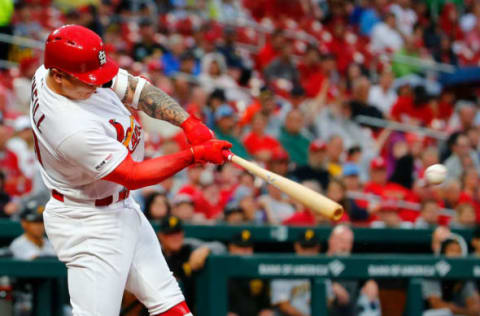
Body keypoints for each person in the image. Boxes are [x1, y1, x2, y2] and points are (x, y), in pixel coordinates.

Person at [34, 25, 232, 316]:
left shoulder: (51, 72)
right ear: (59, 77)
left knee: (170, 304)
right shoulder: (68, 127)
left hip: (119, 206)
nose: (97, 85)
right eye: (88, 80)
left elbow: (135, 90)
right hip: (89, 222)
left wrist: (188, 123)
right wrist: (195, 155)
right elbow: (133, 175)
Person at [157, 215, 226, 311]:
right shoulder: (155, 253)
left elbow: (221, 248)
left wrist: (206, 249)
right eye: (170, 234)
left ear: (183, 233)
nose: (175, 237)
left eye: (178, 232)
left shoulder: (188, 246)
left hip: (191, 307)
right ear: (161, 236)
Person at [270, 229, 330, 316]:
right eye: (304, 248)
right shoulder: (284, 268)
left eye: (312, 248)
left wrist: (320, 303)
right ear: (297, 246)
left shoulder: (323, 268)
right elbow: (283, 305)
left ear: (318, 248)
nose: (308, 253)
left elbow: (330, 299)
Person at [326, 225, 381, 316]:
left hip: (351, 310)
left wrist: (370, 282)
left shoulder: (353, 263)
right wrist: (330, 286)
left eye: (349, 243)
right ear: (331, 240)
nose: (345, 246)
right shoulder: (321, 261)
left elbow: (367, 278)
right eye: (342, 241)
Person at [422, 237, 480, 316]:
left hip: (459, 313)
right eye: (451, 251)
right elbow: (436, 305)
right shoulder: (434, 270)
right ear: (443, 253)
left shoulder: (464, 274)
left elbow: (475, 307)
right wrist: (465, 311)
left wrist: (458, 309)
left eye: (458, 252)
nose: (455, 255)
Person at [228, 230, 273, 316]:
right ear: (231, 247)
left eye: (248, 247)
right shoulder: (220, 269)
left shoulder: (259, 271)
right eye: (241, 247)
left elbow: (265, 307)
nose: (246, 251)